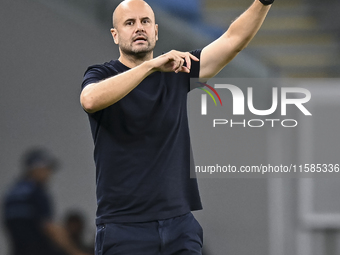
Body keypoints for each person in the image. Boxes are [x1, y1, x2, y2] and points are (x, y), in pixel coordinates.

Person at [80, 0, 274, 254]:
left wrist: (263, 2)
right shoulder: (101, 74)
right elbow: (90, 100)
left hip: (179, 226)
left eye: (145, 21)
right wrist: (150, 66)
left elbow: (233, 39)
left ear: (156, 31)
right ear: (115, 35)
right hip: (123, 228)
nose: (139, 28)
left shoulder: (177, 69)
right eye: (130, 23)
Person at [3, 148, 91, 255]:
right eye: (47, 169)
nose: (49, 173)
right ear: (36, 169)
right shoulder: (36, 192)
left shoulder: (12, 193)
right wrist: (75, 252)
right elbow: (50, 228)